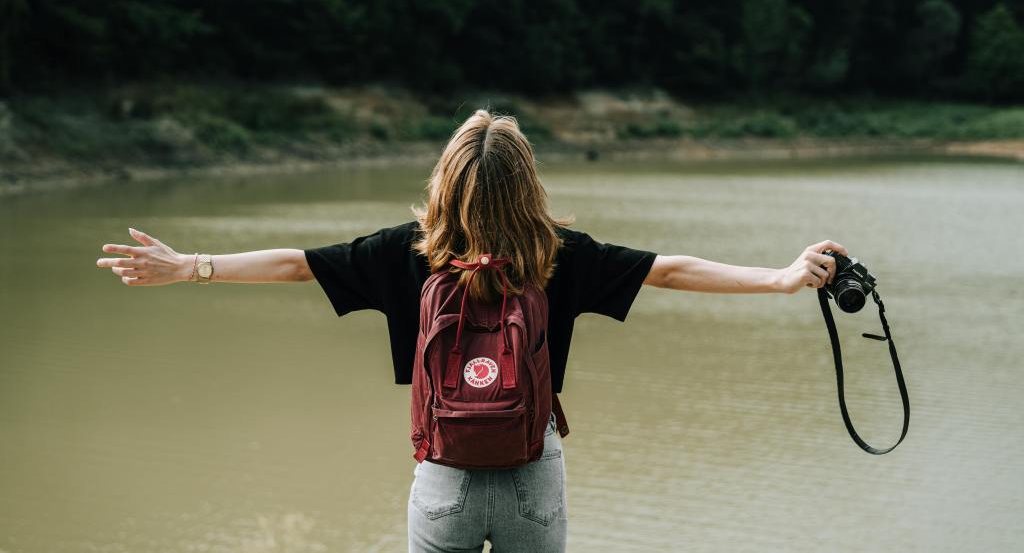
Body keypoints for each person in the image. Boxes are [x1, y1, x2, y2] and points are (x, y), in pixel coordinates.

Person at [95, 109, 848, 553]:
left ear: (444, 180)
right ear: (528, 184)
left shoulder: (408, 251)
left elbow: (295, 265)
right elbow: (672, 270)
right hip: (531, 477)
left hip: (444, 479)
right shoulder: (560, 254)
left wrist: (188, 265)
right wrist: (782, 278)